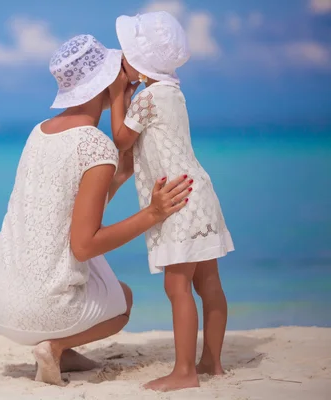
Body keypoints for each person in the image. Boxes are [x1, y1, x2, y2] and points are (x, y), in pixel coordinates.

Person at [0, 34, 193, 387]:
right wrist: (152, 214)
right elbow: (84, 244)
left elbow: (63, 212)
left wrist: (120, 174)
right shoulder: (95, 145)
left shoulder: (39, 132)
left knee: (77, 267)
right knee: (123, 302)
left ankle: (64, 350)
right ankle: (56, 346)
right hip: (37, 310)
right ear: (106, 81)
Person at [110, 11, 235, 392]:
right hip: (198, 191)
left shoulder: (145, 99)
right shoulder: (172, 93)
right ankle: (211, 360)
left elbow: (121, 140)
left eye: (125, 54)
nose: (120, 59)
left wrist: (118, 95)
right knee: (208, 282)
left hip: (176, 198)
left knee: (176, 288)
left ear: (140, 62)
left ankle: (184, 372)